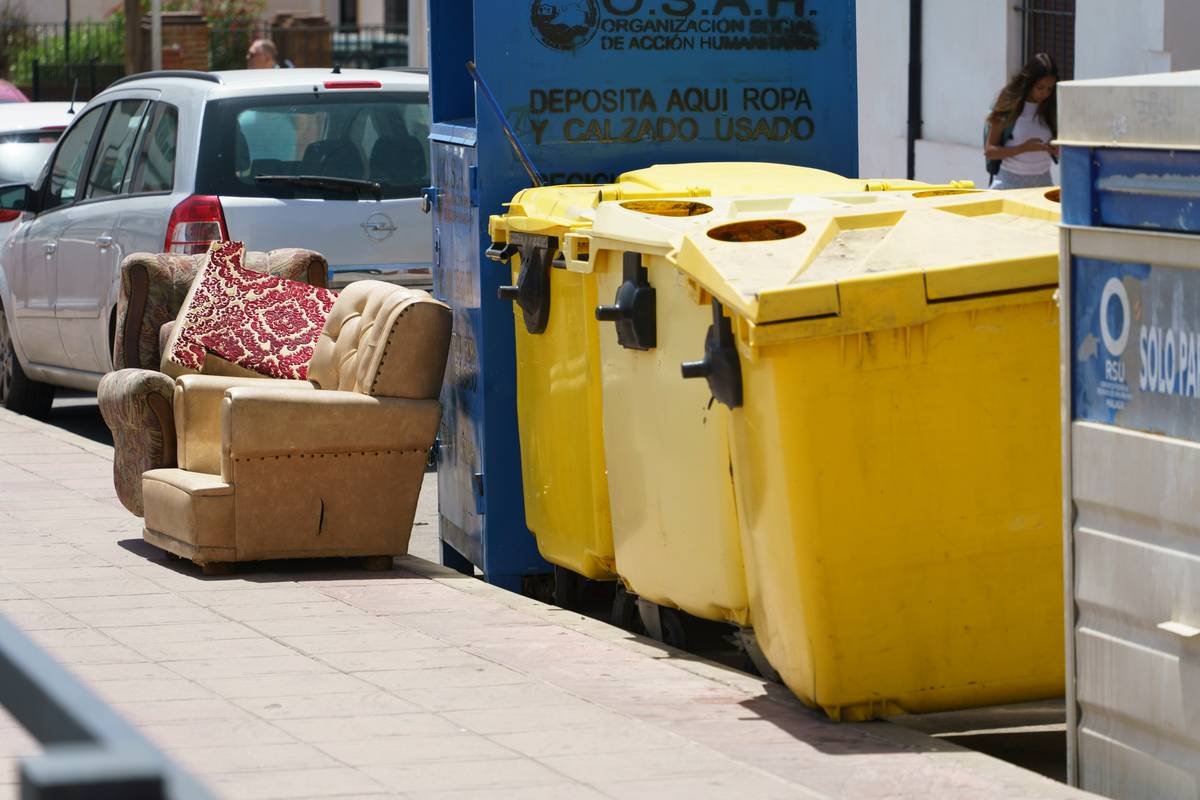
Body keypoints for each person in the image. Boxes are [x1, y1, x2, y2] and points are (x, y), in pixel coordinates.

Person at [985, 52, 1059, 190]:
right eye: (1040, 87)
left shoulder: (1052, 107)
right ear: (1029, 82)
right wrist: (1023, 148)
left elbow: (1061, 147)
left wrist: (1056, 148)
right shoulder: (1009, 103)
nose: (1045, 93)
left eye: (1050, 88)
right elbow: (990, 151)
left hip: (1043, 184)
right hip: (1010, 184)